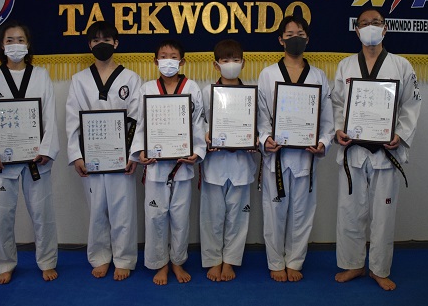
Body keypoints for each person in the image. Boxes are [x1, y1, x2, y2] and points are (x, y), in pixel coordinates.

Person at [332, 8, 422, 291]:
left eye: (376, 22)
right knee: (350, 211)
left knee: (383, 215)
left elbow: (411, 104)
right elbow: (336, 104)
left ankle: (379, 269)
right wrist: (338, 129)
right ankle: (353, 264)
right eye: (364, 23)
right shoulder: (345, 66)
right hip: (354, 151)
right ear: (357, 30)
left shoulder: (402, 66)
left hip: (386, 152)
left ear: (385, 28)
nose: (370, 27)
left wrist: (400, 134)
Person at [0, 20, 59, 284]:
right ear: (2, 45)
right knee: (1, 215)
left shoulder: (41, 75)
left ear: (28, 44)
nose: (15, 45)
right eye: (10, 40)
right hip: (3, 159)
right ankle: (4, 264)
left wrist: (47, 149)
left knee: (42, 213)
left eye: (20, 40)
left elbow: (49, 116)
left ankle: (47, 261)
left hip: (35, 158)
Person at [257, 15, 334, 282]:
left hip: (305, 157)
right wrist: (265, 138)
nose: (295, 39)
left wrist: (323, 142)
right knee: (274, 212)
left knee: (302, 212)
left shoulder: (319, 76)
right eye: (289, 35)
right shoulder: (267, 74)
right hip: (277, 156)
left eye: (300, 34)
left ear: (307, 39)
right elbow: (261, 117)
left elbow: (327, 119)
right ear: (280, 40)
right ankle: (275, 261)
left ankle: (295, 260)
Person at [65, 21, 142, 280]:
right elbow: (72, 120)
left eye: (107, 40)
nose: (102, 44)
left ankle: (124, 258)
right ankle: (100, 256)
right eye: (96, 40)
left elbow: (137, 119)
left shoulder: (131, 78)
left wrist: (133, 154)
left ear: (116, 43)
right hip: (92, 155)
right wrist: (76, 155)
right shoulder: (79, 80)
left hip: (121, 156)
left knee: (123, 208)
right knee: (97, 208)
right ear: (89, 45)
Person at [129, 39, 207, 285]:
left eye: (173, 57)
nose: (168, 61)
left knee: (180, 217)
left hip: (182, 166)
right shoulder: (147, 88)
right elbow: (140, 124)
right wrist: (140, 151)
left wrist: (197, 151)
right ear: (155, 61)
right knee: (155, 216)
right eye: (163, 56)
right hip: (156, 166)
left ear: (182, 61)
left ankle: (177, 262)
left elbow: (198, 123)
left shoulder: (192, 87)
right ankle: (159, 263)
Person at [200, 39, 258, 282]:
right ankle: (213, 260)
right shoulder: (206, 92)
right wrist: (205, 134)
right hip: (214, 163)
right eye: (225, 60)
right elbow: (199, 122)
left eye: (235, 60)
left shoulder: (252, 93)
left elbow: (260, 124)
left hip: (241, 163)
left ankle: (230, 261)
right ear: (216, 65)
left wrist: (255, 137)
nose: (231, 64)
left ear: (243, 63)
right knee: (212, 216)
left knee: (238, 216)